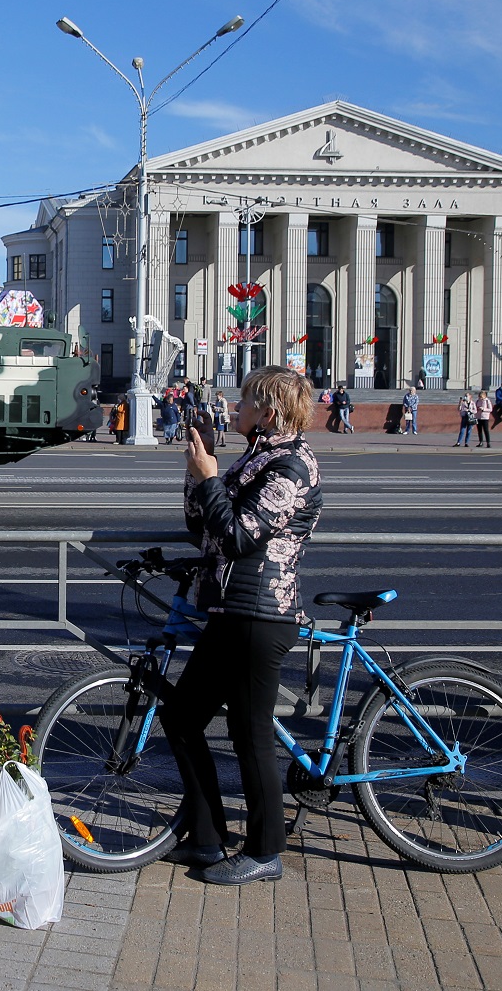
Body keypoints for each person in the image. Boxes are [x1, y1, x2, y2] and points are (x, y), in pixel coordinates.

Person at [158, 365, 323, 886]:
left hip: (261, 615)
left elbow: (236, 537)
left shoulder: (292, 467)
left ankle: (265, 851)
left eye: (247, 400)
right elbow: (199, 526)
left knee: (250, 735)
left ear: (269, 413)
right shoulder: (258, 457)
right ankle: (208, 838)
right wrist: (196, 470)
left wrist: (210, 478)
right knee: (182, 718)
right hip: (230, 612)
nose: (236, 406)